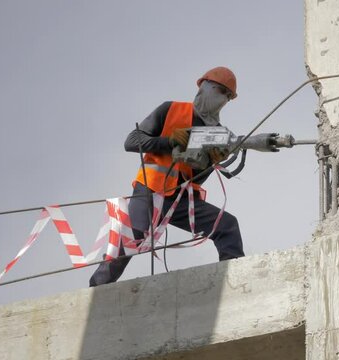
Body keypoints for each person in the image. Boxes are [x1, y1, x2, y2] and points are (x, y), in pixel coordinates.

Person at [89, 66, 245, 287]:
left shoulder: (217, 133)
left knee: (226, 225)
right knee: (132, 239)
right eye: (220, 91)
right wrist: (170, 142)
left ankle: (235, 280)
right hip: (149, 192)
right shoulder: (171, 109)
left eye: (228, 96)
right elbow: (132, 141)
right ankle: (97, 289)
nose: (223, 99)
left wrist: (212, 162)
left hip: (181, 201)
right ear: (204, 86)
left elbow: (195, 177)